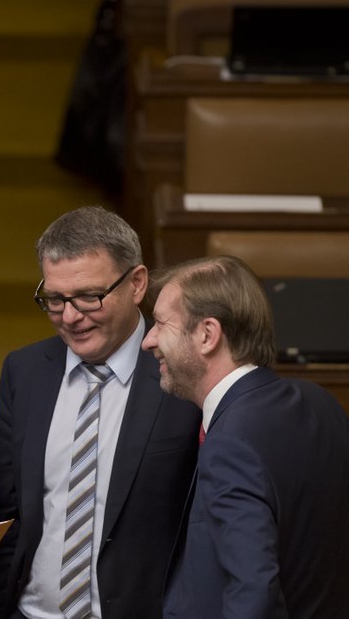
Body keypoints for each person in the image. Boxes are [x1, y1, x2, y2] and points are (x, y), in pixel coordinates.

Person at [0, 206, 201, 619]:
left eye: (89, 297)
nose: (71, 317)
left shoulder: (185, 376)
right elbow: (8, 512)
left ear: (136, 284)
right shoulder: (24, 372)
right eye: (55, 299)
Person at [142, 255, 349, 618]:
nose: (148, 341)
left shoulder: (230, 443)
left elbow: (253, 592)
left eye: (160, 324)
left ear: (207, 335)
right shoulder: (321, 404)